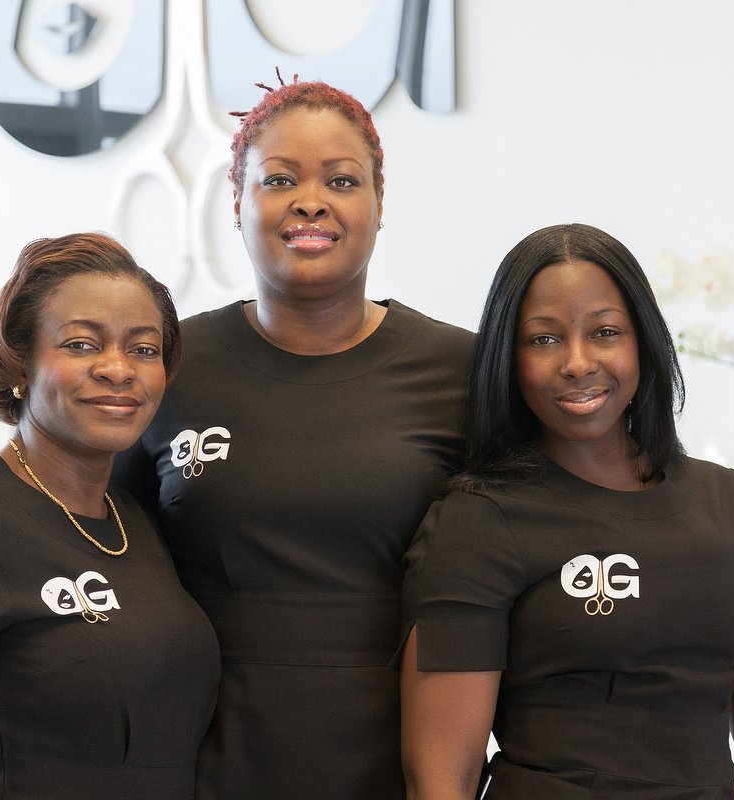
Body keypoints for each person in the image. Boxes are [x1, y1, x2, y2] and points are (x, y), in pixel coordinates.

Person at [113, 73, 474, 800]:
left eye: (341, 180)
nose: (311, 200)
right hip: (194, 765)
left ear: (379, 204)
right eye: (280, 179)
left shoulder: (461, 371)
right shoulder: (167, 365)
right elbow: (105, 553)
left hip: (398, 767)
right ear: (238, 202)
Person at [399, 223, 734, 799]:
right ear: (509, 357)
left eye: (604, 332)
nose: (578, 363)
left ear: (643, 344)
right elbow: (440, 778)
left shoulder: (724, 499)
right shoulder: (476, 521)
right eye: (544, 339)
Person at [0, 233, 220, 799]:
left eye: (143, 349)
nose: (118, 369)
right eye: (81, 344)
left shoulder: (136, 521)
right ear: (19, 364)